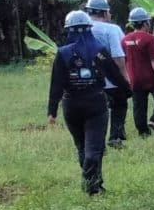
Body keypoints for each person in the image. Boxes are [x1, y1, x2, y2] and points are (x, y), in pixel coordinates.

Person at [47, 11, 131, 195]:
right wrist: (127, 92)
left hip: (71, 105)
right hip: (96, 104)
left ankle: (94, 184)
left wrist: (52, 111)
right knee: (94, 148)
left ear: (68, 30)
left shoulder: (62, 53)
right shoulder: (99, 50)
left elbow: (57, 83)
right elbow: (114, 74)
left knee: (82, 147)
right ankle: (91, 186)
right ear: (89, 29)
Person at [85, 0, 129, 148]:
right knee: (119, 106)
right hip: (111, 81)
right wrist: (125, 78)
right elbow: (118, 56)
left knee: (96, 113)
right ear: (104, 13)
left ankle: (95, 141)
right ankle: (115, 138)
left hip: (88, 81)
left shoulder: (81, 29)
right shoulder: (112, 29)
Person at [122, 7, 154, 136]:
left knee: (139, 107)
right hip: (151, 78)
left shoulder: (125, 40)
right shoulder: (150, 39)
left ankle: (143, 133)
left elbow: (123, 60)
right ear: (145, 23)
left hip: (134, 79)